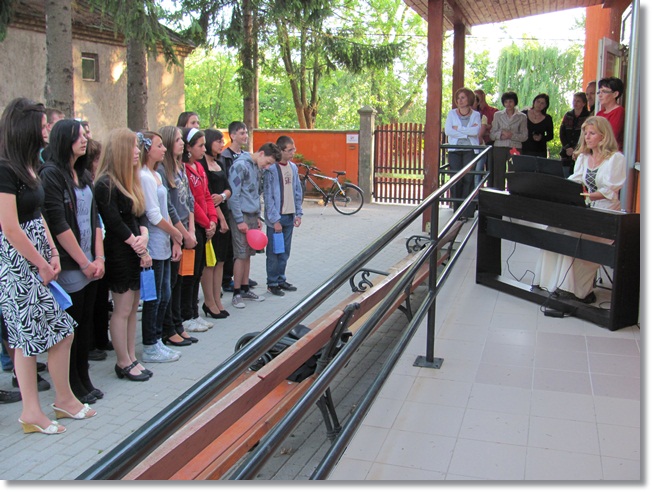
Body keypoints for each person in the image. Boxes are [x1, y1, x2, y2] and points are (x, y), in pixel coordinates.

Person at [0, 97, 95, 434]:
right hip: (17, 266)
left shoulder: (29, 166)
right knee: (27, 339)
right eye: (42, 126)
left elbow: (38, 215)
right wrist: (40, 262)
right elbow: (10, 227)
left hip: (38, 261)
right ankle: (33, 412)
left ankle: (63, 400)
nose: (47, 131)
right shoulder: (4, 169)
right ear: (25, 128)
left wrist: (52, 252)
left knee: (61, 332)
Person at [39, 119, 105, 405]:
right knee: (73, 327)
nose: (84, 140)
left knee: (85, 324)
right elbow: (58, 223)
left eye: (84, 136)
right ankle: (72, 384)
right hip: (71, 264)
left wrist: (98, 257)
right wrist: (83, 263)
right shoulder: (51, 174)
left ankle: (83, 376)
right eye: (78, 136)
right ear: (63, 140)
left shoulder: (83, 173)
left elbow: (95, 218)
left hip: (91, 260)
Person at [535, 116, 626, 304]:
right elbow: (574, 182)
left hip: (606, 216)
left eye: (592, 133)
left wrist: (586, 196)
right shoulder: (584, 157)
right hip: (586, 212)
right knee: (553, 230)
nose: (587, 137)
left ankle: (573, 290)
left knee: (573, 236)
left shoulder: (616, 158)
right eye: (585, 133)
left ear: (604, 136)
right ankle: (548, 283)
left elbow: (609, 191)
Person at [94, 128, 153, 382]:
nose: (138, 151)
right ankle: (122, 361)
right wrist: (137, 244)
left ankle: (131, 355)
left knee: (132, 307)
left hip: (135, 249)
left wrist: (144, 237)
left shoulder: (130, 180)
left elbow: (140, 214)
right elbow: (113, 222)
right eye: (133, 147)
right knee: (122, 308)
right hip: (119, 252)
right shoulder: (105, 184)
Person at [138, 131, 183, 363]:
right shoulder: (144, 176)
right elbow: (153, 214)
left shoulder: (156, 174)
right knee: (154, 297)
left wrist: (174, 239)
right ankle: (150, 344)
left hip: (164, 241)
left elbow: (166, 209)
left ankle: (157, 340)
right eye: (159, 146)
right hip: (154, 244)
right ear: (147, 150)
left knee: (165, 294)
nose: (164, 149)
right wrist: (175, 232)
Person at [157, 126, 198, 346]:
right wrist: (181, 234)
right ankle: (169, 328)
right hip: (173, 233)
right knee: (170, 285)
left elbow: (189, 200)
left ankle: (178, 324)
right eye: (178, 140)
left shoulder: (180, 167)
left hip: (185, 231)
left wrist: (191, 230)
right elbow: (169, 207)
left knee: (180, 281)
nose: (182, 143)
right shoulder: (162, 171)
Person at [228, 143, 281, 309]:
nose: (268, 166)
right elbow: (234, 196)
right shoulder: (240, 166)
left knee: (249, 253)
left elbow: (256, 193)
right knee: (240, 254)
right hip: (241, 215)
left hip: (252, 215)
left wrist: (258, 215)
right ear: (261, 153)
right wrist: (239, 220)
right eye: (268, 162)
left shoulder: (257, 168)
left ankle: (245, 288)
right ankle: (236, 292)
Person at [77, 138, 113, 361]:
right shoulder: (92, 182)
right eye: (97, 158)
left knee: (101, 297)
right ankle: (91, 343)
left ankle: (100, 337)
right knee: (90, 302)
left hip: (99, 247)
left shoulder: (92, 181)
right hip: (87, 250)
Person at [181, 127, 216, 332]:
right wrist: (205, 222)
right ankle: (186, 315)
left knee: (198, 271)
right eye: (200, 145)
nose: (204, 149)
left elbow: (206, 196)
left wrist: (213, 220)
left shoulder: (199, 167)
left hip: (204, 226)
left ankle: (194, 313)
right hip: (193, 226)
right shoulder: (184, 169)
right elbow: (191, 201)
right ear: (188, 147)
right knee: (189, 273)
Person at [220, 121, 258, 292]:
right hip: (230, 207)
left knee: (244, 251)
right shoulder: (225, 157)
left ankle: (242, 280)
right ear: (232, 135)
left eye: (246, 133)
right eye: (241, 133)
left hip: (246, 208)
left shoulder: (247, 157)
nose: (245, 136)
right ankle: (228, 279)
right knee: (233, 249)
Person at [263, 136, 303, 296]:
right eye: (290, 150)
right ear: (280, 150)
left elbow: (297, 191)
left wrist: (298, 213)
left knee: (285, 251)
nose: (293, 152)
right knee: (274, 252)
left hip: (289, 216)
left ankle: (281, 279)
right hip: (277, 218)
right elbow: (268, 196)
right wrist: (274, 220)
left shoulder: (293, 168)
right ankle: (272, 283)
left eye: (294, 149)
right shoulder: (271, 169)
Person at [198, 129, 231, 318]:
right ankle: (209, 301)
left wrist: (223, 196)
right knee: (210, 262)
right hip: (212, 218)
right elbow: (208, 196)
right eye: (218, 141)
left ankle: (218, 299)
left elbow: (228, 188)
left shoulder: (219, 163)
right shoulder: (202, 165)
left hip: (223, 211)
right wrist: (221, 220)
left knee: (221, 261)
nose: (221, 144)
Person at [444, 87, 481, 217]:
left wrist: (458, 129)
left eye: (463, 97)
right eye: (458, 98)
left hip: (470, 150)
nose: (460, 100)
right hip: (455, 150)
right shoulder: (451, 114)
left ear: (469, 99)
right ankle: (457, 210)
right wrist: (467, 132)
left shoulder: (476, 115)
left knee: (468, 178)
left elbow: (475, 132)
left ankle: (467, 211)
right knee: (456, 178)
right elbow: (448, 131)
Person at [489, 91, 528, 190]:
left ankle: (513, 193)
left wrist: (511, 135)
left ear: (515, 102)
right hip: (499, 147)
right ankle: (498, 193)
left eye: (510, 101)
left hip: (515, 147)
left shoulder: (522, 117)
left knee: (514, 171)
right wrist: (501, 135)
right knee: (498, 172)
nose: (508, 104)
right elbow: (492, 134)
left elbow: (524, 136)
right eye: (506, 102)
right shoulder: (497, 115)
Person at [559, 92, 590, 174]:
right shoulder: (568, 115)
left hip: (581, 151)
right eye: (574, 100)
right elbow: (562, 133)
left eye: (578, 101)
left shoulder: (588, 116)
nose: (575, 103)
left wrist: (575, 149)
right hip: (566, 152)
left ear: (584, 103)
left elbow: (586, 135)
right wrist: (567, 147)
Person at [596, 76, 625, 151]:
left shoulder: (619, 111)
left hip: (611, 152)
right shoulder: (599, 113)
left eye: (604, 92)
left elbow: (612, 136)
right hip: (600, 152)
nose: (600, 95)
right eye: (599, 92)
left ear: (615, 94)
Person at [471, 95, 490, 186]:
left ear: (478, 102)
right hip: (466, 148)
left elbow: (479, 136)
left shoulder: (482, 117)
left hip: (479, 148)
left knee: (477, 174)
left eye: (474, 101)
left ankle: (476, 194)